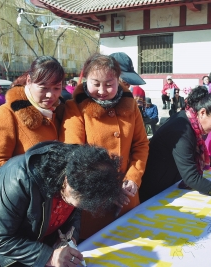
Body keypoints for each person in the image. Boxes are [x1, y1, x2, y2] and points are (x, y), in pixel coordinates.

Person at [0, 141, 125, 267]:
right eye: (75, 201)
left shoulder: (82, 169)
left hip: (29, 246)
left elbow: (74, 212)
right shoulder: (19, 178)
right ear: (67, 182)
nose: (77, 207)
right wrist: (49, 256)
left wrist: (69, 238)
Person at [60, 53, 149, 238]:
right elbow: (76, 155)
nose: (102, 90)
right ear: (85, 80)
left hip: (127, 197)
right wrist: (109, 192)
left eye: (109, 84)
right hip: (93, 204)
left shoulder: (130, 105)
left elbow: (141, 145)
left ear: (118, 80)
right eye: (96, 83)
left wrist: (133, 178)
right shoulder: (75, 107)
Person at [139, 86, 211, 203]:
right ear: (203, 112)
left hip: (169, 184)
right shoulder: (181, 130)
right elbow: (191, 177)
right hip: (153, 192)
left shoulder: (191, 121)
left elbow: (189, 153)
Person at [0, 56, 65, 176]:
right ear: (29, 81)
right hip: (26, 193)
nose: (50, 95)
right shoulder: (6, 114)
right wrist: (39, 175)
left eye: (57, 88)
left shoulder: (61, 111)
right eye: (43, 88)